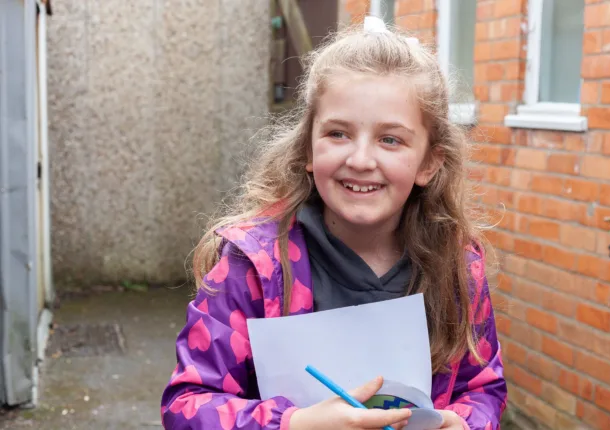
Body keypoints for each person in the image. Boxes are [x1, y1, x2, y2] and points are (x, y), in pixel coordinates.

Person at [161, 16, 507, 430]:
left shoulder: (458, 268)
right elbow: (188, 405)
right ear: (308, 147)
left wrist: (464, 424)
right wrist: (295, 424)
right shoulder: (253, 265)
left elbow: (483, 388)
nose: (360, 160)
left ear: (429, 162)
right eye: (338, 134)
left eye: (390, 139)